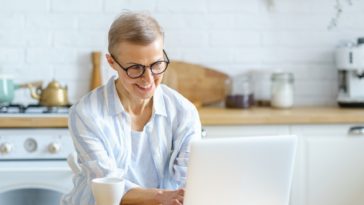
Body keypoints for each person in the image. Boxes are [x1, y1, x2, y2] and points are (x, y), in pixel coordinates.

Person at [61, 11, 202, 205]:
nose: (148, 79)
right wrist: (162, 197)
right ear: (112, 62)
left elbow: (188, 181)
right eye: (135, 68)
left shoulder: (184, 111)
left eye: (156, 64)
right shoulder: (86, 114)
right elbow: (109, 187)